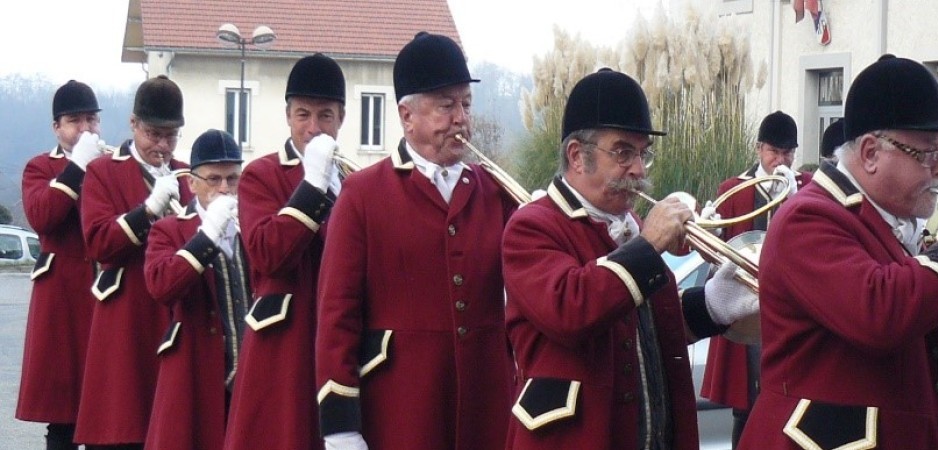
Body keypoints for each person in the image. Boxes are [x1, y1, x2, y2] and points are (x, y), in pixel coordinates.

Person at [737, 55, 938, 449]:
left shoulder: (884, 216)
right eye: (927, 153)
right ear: (870, 152)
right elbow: (879, 312)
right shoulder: (808, 218)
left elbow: (904, 336)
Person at [500, 68, 759, 450]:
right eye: (623, 152)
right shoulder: (532, 226)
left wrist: (716, 302)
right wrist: (650, 243)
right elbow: (571, 309)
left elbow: (647, 328)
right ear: (576, 156)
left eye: (642, 153)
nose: (638, 169)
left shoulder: (630, 225)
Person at [314, 32, 515, 450]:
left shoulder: (495, 193)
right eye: (446, 106)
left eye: (466, 104)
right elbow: (338, 315)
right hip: (401, 411)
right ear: (407, 116)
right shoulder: (363, 194)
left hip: (486, 410)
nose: (461, 118)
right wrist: (341, 427)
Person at [225, 53, 346, 450]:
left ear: (341, 118)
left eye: (325, 116)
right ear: (287, 116)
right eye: (303, 115)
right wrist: (311, 188)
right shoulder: (262, 173)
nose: (313, 128)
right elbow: (265, 254)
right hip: (284, 346)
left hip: (340, 341)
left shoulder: (356, 181)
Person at [76, 75, 191, 449]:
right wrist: (148, 210)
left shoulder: (188, 175)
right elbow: (99, 244)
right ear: (133, 124)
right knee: (123, 430)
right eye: (153, 134)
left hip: (173, 314)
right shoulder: (103, 171)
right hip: (125, 319)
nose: (162, 146)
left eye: (170, 137)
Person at [700, 110, 811, 447]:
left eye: (788, 153)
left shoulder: (807, 188)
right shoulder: (733, 189)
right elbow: (717, 258)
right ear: (759, 149)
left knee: (795, 403)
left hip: (793, 311)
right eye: (774, 152)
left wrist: (797, 198)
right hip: (746, 310)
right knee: (746, 406)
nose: (781, 160)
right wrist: (711, 234)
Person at [143, 129, 248, 450]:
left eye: (232, 179)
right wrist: (207, 236)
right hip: (196, 372)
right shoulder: (169, 229)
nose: (224, 189)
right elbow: (161, 286)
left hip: (249, 373)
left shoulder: (253, 225)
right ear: (192, 183)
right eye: (214, 179)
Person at [16, 80, 103, 450]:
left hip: (103, 291)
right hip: (62, 300)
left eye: (90, 120)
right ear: (57, 127)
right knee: (63, 416)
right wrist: (77, 167)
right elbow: (43, 217)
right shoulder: (40, 166)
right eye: (73, 121)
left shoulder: (111, 165)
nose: (84, 129)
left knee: (107, 410)